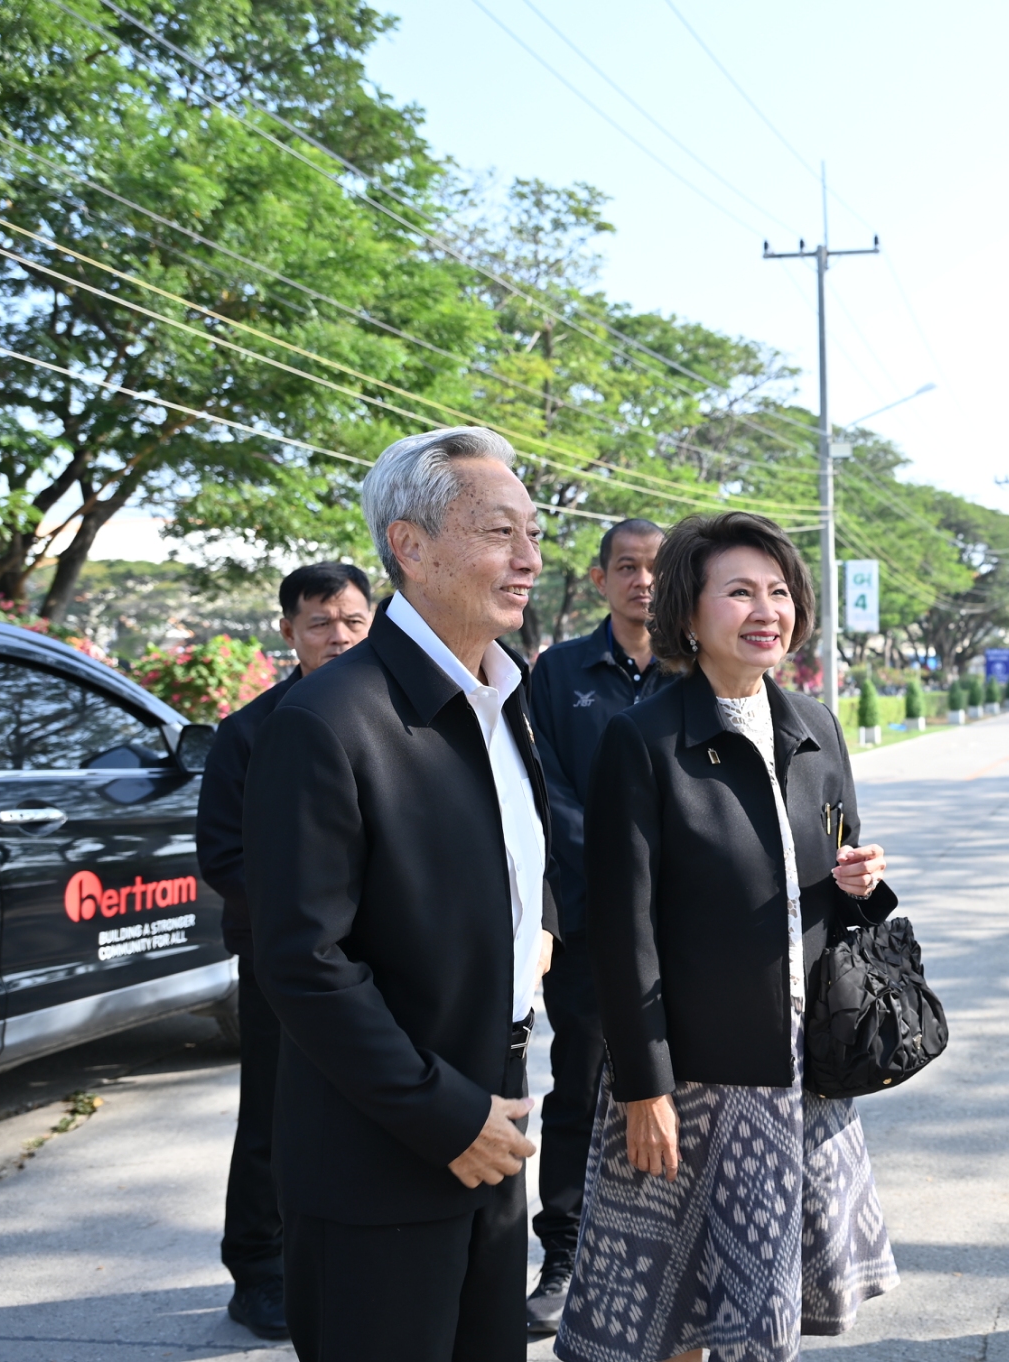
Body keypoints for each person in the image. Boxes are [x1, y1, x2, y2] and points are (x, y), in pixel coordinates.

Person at [244, 427, 560, 1361]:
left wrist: (538, 926)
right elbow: (303, 960)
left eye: (534, 533)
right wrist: (444, 1114)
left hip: (496, 1113)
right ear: (409, 547)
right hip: (382, 1145)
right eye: (500, 532)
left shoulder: (506, 697)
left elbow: (518, 854)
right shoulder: (328, 719)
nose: (530, 558)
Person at [556, 511, 898, 1362]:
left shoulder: (815, 726)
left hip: (803, 1066)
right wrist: (643, 1088)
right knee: (678, 1316)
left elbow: (837, 888)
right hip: (693, 1078)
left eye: (778, 591)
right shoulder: (645, 740)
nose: (766, 610)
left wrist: (862, 884)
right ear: (688, 611)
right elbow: (621, 929)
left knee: (759, 1314)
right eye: (739, 592)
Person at [197, 561, 373, 1341]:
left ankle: (340, 1262)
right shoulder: (249, 732)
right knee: (273, 1117)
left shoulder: (389, 713)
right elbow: (223, 856)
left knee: (368, 1113)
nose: (339, 637)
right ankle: (257, 1271)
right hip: (285, 963)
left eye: (353, 621)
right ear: (288, 632)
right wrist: (311, 924)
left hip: (379, 962)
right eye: (320, 623)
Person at [522, 516, 675, 1334]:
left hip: (684, 929)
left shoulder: (697, 666)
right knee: (578, 1086)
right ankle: (567, 1253)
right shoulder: (559, 672)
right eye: (627, 567)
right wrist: (626, 864)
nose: (643, 581)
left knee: (684, 1086)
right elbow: (546, 790)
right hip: (589, 923)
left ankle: (673, 1250)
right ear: (600, 579)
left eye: (656, 567)